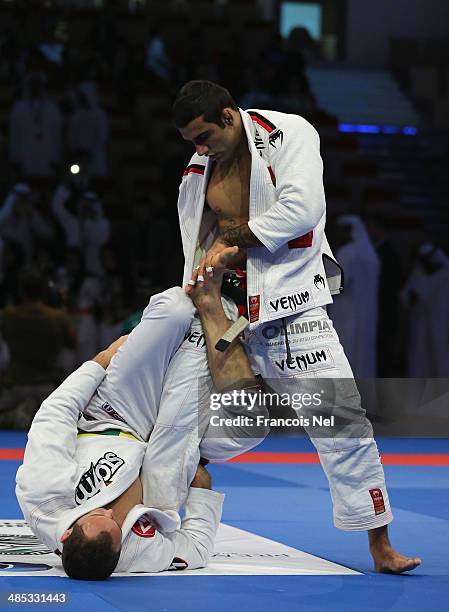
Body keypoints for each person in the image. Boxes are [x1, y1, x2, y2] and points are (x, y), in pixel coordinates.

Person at [171, 79, 421, 573]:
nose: (199, 150)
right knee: (202, 430)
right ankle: (145, 508)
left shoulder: (288, 134)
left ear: (227, 116)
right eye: (191, 142)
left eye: (204, 137)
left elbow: (303, 209)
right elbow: (195, 241)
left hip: (291, 311)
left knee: (343, 427)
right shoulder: (199, 169)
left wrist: (231, 243)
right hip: (228, 315)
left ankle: (380, 546)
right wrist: (197, 291)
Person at [16, 249, 268, 580]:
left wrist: (98, 363)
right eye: (116, 524)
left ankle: (218, 297)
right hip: (169, 455)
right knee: (253, 425)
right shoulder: (136, 554)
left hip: (118, 413)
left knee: (175, 309)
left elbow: (54, 416)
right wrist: (201, 494)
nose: (110, 511)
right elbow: (194, 548)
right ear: (119, 553)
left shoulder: (42, 497)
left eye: (99, 516)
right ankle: (228, 313)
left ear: (64, 535)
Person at [0, 266, 73, 429]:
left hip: (17, 387)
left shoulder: (9, 315)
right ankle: (29, 414)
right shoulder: (58, 317)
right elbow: (71, 343)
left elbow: (5, 336)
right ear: (43, 291)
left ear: (21, 290)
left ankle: (19, 414)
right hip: (46, 390)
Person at [328, 215, 380, 378]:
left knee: (346, 351)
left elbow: (337, 285)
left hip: (346, 312)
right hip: (367, 314)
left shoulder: (348, 252)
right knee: (363, 356)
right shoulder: (371, 253)